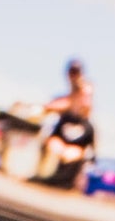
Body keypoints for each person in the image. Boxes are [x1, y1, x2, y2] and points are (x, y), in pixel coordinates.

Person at [37, 58, 96, 190]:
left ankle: (65, 182)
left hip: (76, 146)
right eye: (72, 72)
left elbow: (86, 103)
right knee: (53, 145)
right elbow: (54, 106)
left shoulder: (85, 91)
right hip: (61, 140)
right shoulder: (66, 102)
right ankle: (46, 176)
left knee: (72, 154)